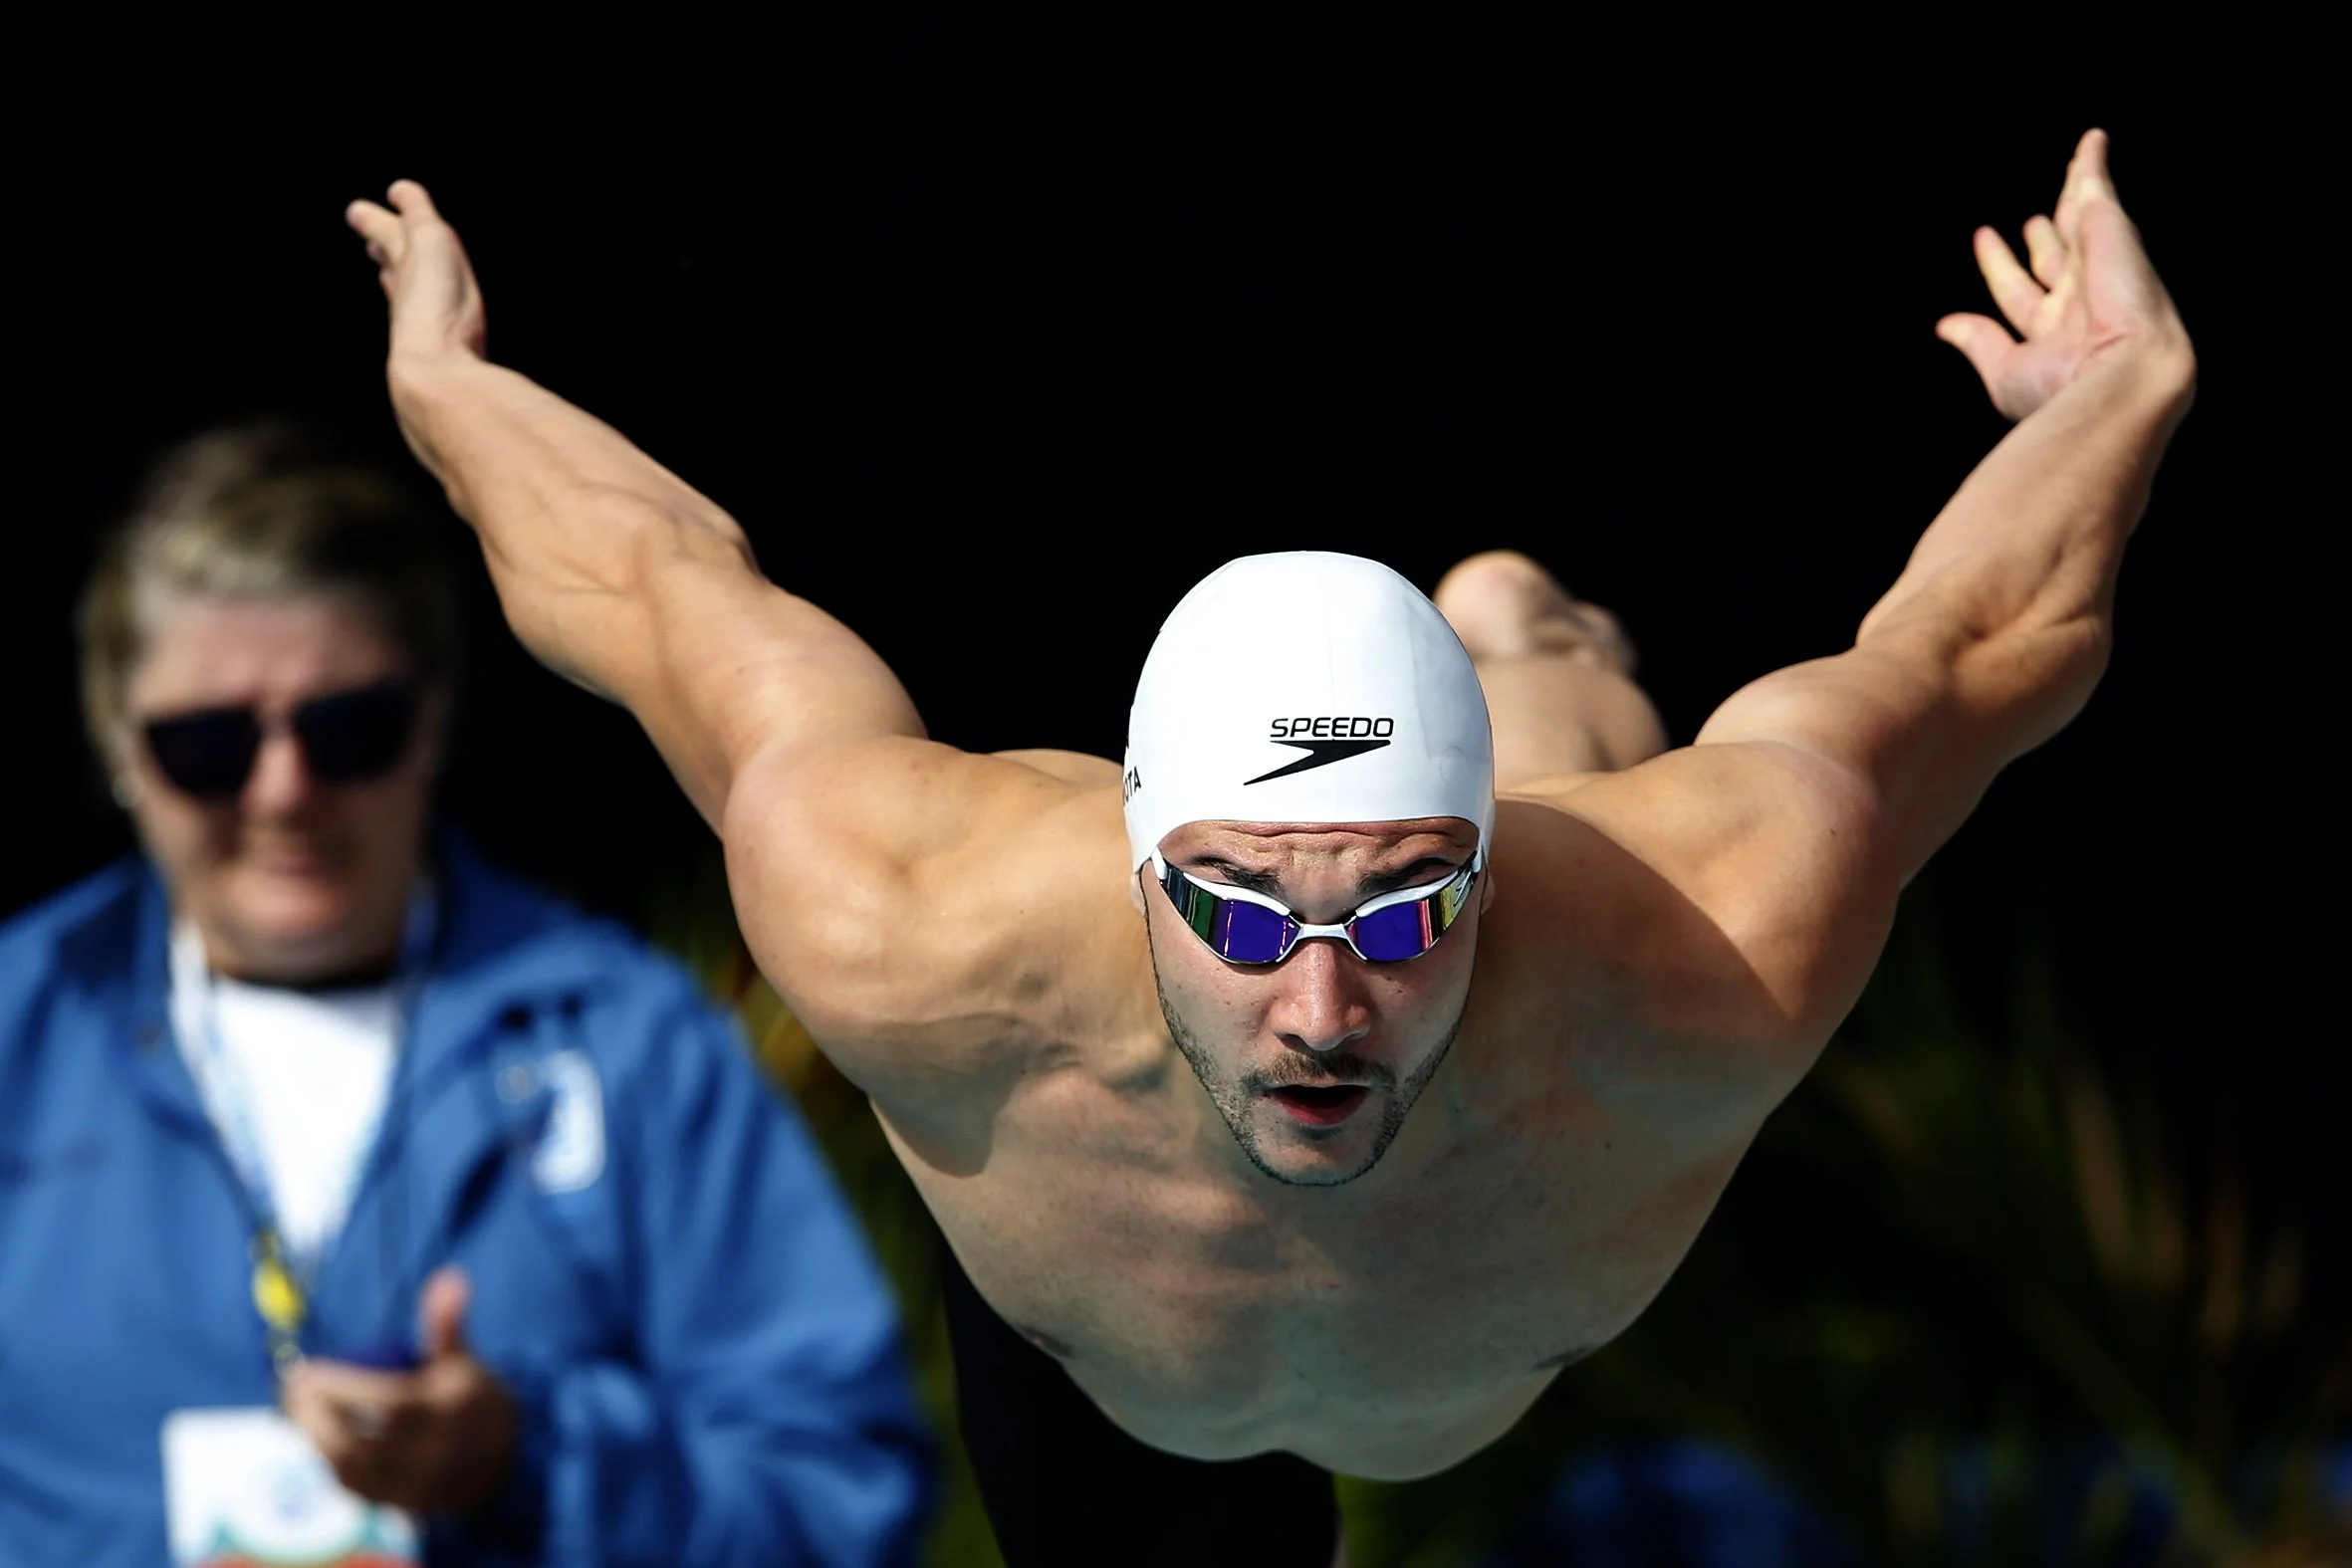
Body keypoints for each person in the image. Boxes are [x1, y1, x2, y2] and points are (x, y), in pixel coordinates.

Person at [344, 128, 2194, 1567]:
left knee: (1564, 754)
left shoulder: (1708, 930)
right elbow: (652, 587)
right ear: (1139, 862)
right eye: (1236, 909)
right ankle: (1501, 671)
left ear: (1477, 876)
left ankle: (1524, 639)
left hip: (1548, 895)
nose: (1323, 1010)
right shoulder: (902, 906)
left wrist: (2121, 395)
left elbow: (1972, 649)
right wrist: (444, 395)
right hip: (1100, 1395)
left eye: (1405, 913)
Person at [0, 426, 931, 1567]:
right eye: (207, 743)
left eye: (350, 728)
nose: (285, 789)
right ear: (115, 742)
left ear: (433, 716)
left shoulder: (630, 1040)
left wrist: (529, 1462)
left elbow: (846, 1495)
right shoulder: (19, 1029)